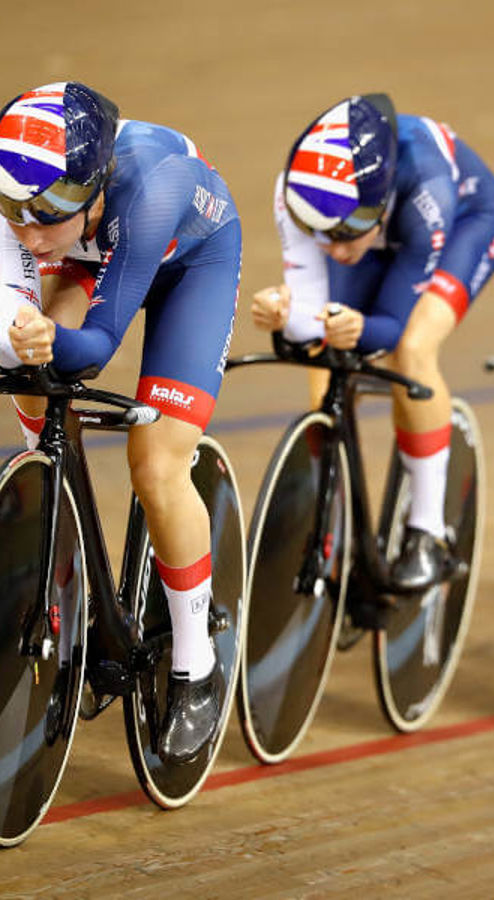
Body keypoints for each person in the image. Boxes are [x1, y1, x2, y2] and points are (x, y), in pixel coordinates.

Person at [0, 81, 241, 764]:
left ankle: (197, 664)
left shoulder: (153, 187)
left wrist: (47, 338)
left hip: (191, 263)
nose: (25, 232)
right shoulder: (29, 194)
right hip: (92, 257)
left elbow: (98, 346)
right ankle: (59, 535)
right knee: (33, 383)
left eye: (44, 214)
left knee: (156, 463)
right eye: (13, 211)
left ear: (95, 189)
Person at [251, 93, 494, 592]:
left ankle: (428, 532)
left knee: (411, 350)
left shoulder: (428, 190)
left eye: (346, 234)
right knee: (324, 363)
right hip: (383, 231)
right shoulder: (301, 195)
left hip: (461, 226)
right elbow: (310, 324)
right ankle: (335, 509)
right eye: (322, 235)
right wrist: (283, 313)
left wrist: (362, 329)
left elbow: (390, 323)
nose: (336, 250)